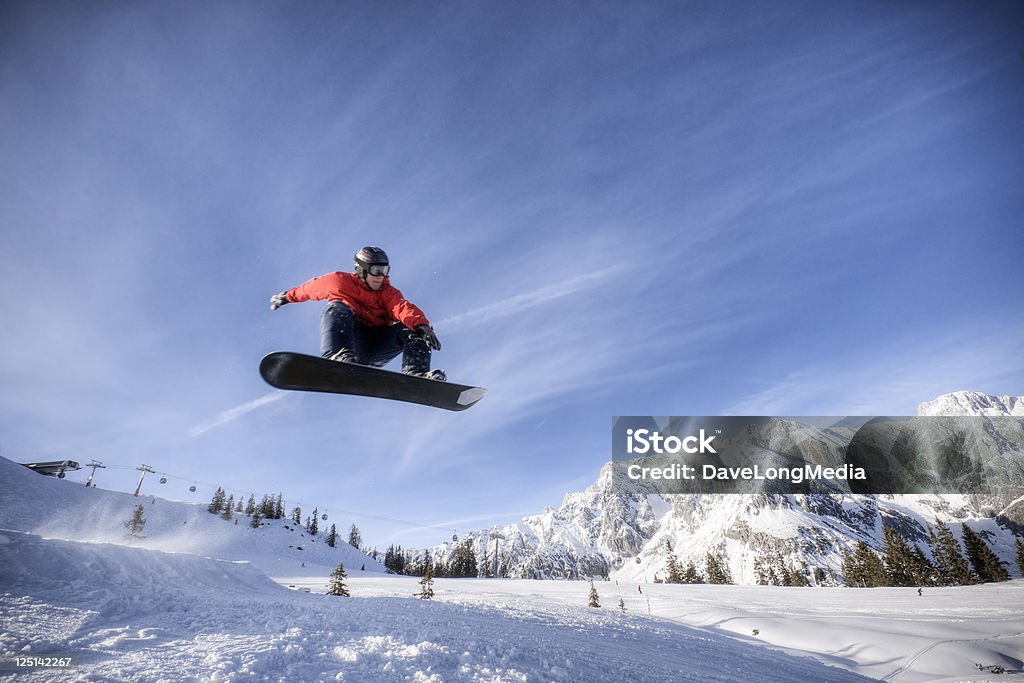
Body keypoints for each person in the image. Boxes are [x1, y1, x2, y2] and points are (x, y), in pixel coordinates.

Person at [269, 246, 445, 380]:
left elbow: (402, 308)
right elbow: (308, 289)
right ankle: (337, 356)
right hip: (350, 343)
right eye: (376, 271)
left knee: (412, 329)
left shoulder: (388, 293)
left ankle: (417, 373)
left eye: (385, 271)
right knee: (337, 308)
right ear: (362, 269)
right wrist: (285, 297)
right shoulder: (338, 282)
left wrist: (422, 326)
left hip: (375, 348)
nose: (380, 277)